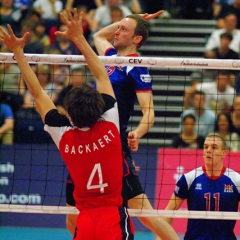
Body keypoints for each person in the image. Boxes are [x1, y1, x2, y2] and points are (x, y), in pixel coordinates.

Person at [0, 9, 134, 240]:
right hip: (112, 217)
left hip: (85, 221)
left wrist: (18, 54)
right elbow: (102, 76)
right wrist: (79, 37)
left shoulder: (64, 135)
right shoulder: (111, 124)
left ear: (69, 114)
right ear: (98, 108)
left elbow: (38, 94)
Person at [91, 10, 179, 240]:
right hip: (93, 139)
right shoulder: (110, 55)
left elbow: (150, 112)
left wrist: (138, 132)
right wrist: (132, 17)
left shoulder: (137, 67)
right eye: (117, 28)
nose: (116, 32)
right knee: (77, 210)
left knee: (145, 214)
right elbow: (99, 35)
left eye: (123, 30)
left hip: (114, 143)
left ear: (137, 39)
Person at [163, 133, 240, 239]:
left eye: (214, 147)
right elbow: (168, 211)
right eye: (205, 147)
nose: (208, 150)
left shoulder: (236, 180)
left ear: (223, 153)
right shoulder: (189, 178)